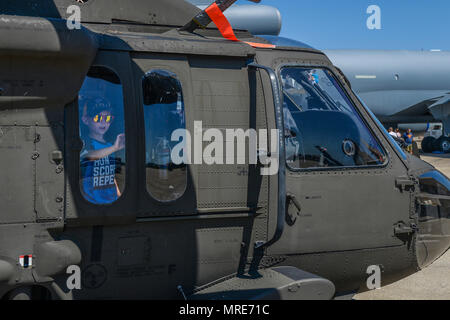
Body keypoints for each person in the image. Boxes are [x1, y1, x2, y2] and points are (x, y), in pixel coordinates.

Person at [80, 98, 125, 204]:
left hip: (111, 200)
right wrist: (114, 148)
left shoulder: (110, 145)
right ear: (86, 120)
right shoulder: (84, 142)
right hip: (93, 202)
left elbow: (111, 175)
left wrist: (118, 195)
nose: (104, 122)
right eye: (98, 118)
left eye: (108, 118)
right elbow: (88, 156)